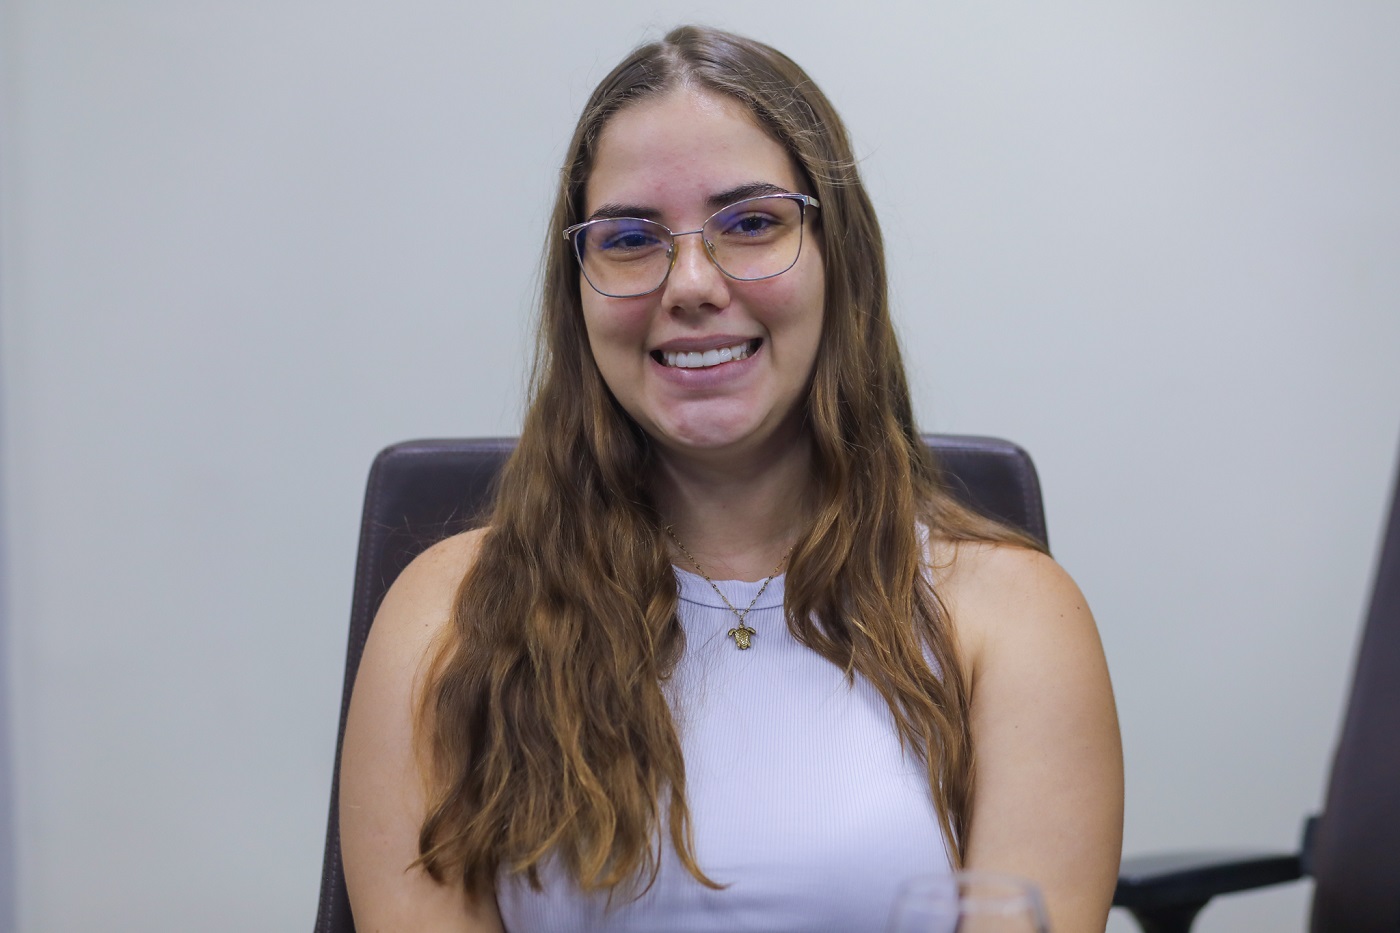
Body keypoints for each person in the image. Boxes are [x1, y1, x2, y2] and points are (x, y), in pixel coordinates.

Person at [339, 24, 1122, 933]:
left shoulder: (1013, 615)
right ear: (577, 289)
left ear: (842, 260)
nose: (692, 283)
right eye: (630, 237)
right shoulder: (448, 616)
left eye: (751, 223)